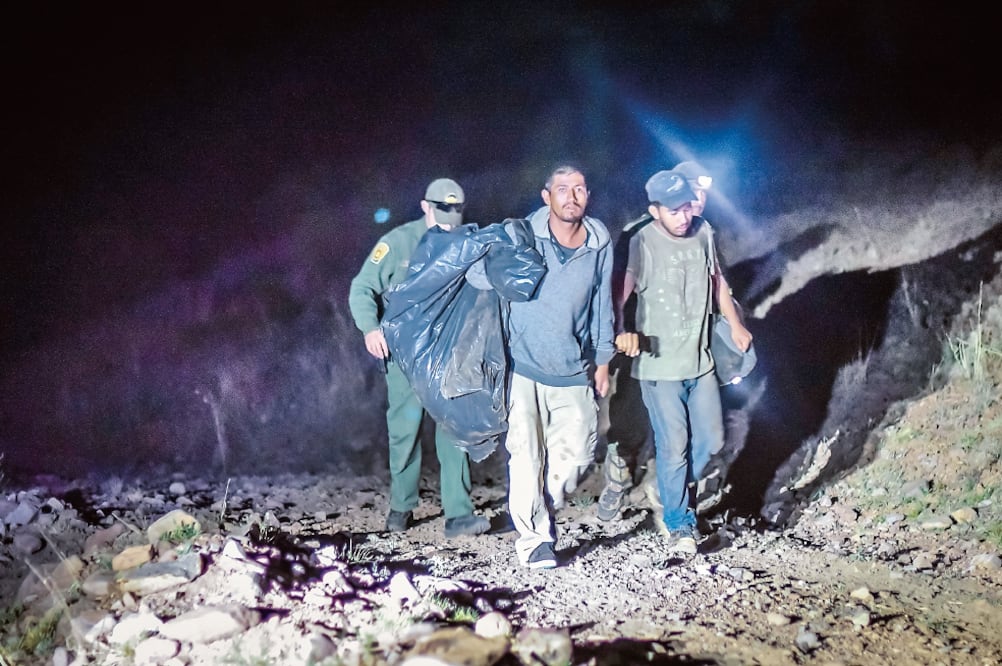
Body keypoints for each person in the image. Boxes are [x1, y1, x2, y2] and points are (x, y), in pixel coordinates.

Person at [616, 168, 752, 555]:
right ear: (654, 210)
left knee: (712, 440)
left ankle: (666, 488)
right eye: (673, 210)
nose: (683, 216)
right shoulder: (640, 240)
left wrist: (735, 323)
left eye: (686, 208)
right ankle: (679, 524)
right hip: (659, 367)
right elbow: (618, 295)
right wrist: (618, 332)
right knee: (674, 444)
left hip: (700, 360)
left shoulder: (704, 231)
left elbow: (716, 281)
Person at [348, 178, 490, 539]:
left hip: (449, 357)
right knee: (404, 432)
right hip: (405, 357)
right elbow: (362, 287)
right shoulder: (397, 243)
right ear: (425, 206)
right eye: (442, 211)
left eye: (456, 212)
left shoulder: (464, 241)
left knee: (454, 431)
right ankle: (402, 506)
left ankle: (459, 514)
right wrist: (370, 328)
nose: (449, 219)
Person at [504, 165, 616, 569]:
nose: (572, 196)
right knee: (526, 453)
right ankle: (534, 540)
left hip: (572, 364)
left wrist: (603, 360)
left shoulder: (600, 243)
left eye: (580, 189)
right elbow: (490, 281)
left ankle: (543, 504)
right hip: (522, 365)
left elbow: (603, 302)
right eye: (563, 189)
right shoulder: (522, 237)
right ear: (546, 196)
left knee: (580, 454)